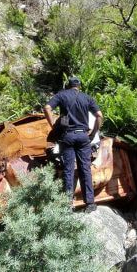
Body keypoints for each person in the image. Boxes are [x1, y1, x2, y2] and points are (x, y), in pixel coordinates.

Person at [44, 77, 103, 213]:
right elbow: (99, 116)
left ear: (68, 85)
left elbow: (47, 107)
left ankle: (67, 205)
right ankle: (90, 203)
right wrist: (93, 133)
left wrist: (53, 125)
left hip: (67, 136)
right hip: (83, 136)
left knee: (68, 170)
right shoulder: (87, 98)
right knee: (85, 169)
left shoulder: (61, 95)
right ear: (79, 86)